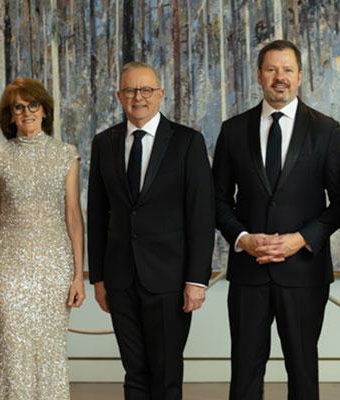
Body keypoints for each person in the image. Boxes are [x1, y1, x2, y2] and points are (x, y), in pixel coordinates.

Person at [212, 39, 340, 400]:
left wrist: (300, 239)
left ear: (300, 76)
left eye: (287, 70)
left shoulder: (326, 130)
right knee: (244, 370)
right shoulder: (233, 130)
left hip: (304, 271)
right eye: (271, 69)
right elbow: (218, 200)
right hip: (249, 272)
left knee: (303, 370)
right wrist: (243, 238)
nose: (279, 77)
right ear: (259, 76)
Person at [87, 62, 214, 399]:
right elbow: (98, 214)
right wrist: (98, 278)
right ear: (119, 96)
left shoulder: (187, 142)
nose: (138, 97)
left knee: (167, 373)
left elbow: (201, 214)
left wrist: (196, 279)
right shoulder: (104, 143)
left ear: (161, 94)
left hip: (170, 280)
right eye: (130, 90)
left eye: (146, 90)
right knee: (135, 371)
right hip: (120, 278)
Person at [0, 77, 86, 399]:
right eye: (18, 107)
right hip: (9, 270)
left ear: (44, 110)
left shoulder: (66, 154)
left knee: (51, 355)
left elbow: (73, 216)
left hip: (55, 268)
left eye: (32, 105)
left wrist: (78, 275)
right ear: (10, 116)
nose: (26, 113)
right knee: (12, 353)